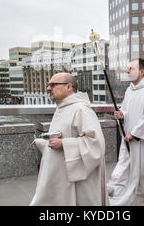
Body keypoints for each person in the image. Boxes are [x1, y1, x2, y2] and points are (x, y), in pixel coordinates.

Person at [30, 73, 108, 206]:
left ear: (68, 87)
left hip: (80, 183)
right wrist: (44, 143)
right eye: (49, 85)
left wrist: (64, 144)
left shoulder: (81, 110)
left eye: (53, 84)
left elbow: (96, 144)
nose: (48, 88)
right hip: (63, 178)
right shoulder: (62, 108)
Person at [107, 58, 144, 206]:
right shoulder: (129, 90)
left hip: (143, 140)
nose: (127, 71)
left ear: (142, 71)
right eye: (128, 68)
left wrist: (135, 133)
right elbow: (127, 111)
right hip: (129, 138)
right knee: (128, 167)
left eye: (131, 68)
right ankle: (131, 196)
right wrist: (122, 115)